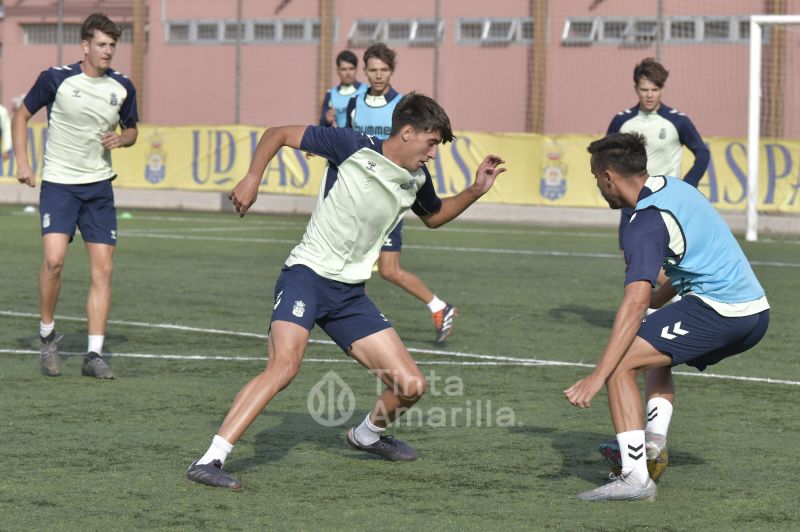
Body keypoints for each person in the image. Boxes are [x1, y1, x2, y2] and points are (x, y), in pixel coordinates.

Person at [186, 92, 506, 489]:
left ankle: (367, 435)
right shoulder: (350, 146)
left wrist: (476, 190)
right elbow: (278, 134)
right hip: (306, 276)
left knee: (411, 386)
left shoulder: (417, 179)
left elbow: (435, 216)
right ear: (407, 133)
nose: (433, 154)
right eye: (431, 143)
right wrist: (253, 177)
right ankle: (210, 460)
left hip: (350, 295)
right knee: (284, 367)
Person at [564, 132, 769, 501]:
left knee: (621, 364)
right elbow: (685, 265)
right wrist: (655, 308)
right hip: (754, 312)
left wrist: (598, 376)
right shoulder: (675, 188)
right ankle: (654, 444)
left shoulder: (644, 222)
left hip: (721, 311)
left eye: (596, 178)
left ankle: (635, 479)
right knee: (649, 338)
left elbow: (634, 303)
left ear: (609, 177)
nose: (598, 186)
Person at [600, 58, 711, 475]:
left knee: (656, 295)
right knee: (642, 282)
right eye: (644, 88)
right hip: (635, 210)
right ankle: (654, 441)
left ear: (662, 90)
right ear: (636, 87)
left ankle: (658, 317)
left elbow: (702, 152)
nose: (649, 95)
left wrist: (687, 187)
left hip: (669, 209)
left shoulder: (677, 121)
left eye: (655, 89)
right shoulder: (622, 120)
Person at [13, 13, 139, 379]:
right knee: (53, 261)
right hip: (59, 184)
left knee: (104, 271)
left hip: (99, 188)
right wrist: (23, 163)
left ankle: (94, 355)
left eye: (113, 45)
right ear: (85, 45)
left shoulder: (123, 86)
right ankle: (48, 334)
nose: (108, 51)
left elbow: (132, 130)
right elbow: (21, 116)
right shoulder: (56, 78)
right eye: (102, 44)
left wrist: (123, 139)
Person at [346, 42, 457, 343]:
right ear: (365, 71)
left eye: (383, 70)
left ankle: (437, 306)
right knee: (364, 265)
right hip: (359, 197)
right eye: (372, 70)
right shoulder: (355, 102)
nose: (378, 75)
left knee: (388, 268)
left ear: (391, 71)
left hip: (389, 198)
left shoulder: (402, 107)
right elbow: (349, 143)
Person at [318, 50, 367, 128]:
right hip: (342, 138)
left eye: (351, 68)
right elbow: (321, 127)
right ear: (338, 70)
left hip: (364, 138)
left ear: (356, 69)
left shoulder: (367, 90)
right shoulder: (331, 94)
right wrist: (327, 121)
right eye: (344, 69)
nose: (348, 73)